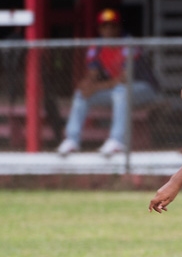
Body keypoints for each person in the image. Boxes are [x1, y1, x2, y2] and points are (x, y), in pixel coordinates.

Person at [57, 9, 158, 156]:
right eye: (105, 26)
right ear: (100, 29)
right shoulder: (97, 47)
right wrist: (87, 85)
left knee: (121, 91)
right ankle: (72, 140)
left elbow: (124, 79)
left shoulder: (129, 44)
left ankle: (117, 141)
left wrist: (95, 87)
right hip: (116, 90)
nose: (108, 30)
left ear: (118, 28)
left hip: (144, 89)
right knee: (82, 94)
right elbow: (93, 75)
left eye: (112, 26)